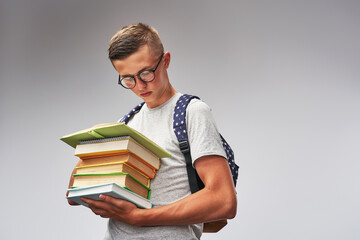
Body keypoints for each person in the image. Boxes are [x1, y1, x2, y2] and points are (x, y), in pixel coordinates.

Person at [67, 22, 237, 240]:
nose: (139, 86)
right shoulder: (126, 125)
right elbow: (73, 194)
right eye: (128, 79)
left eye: (146, 73)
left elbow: (224, 200)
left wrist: (139, 217)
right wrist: (94, 152)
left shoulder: (191, 113)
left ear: (165, 61)